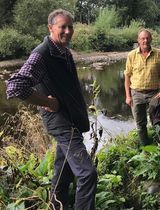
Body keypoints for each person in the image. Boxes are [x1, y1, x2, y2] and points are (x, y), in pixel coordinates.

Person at [6, 9, 97, 209]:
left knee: (63, 171)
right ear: (50, 28)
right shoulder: (42, 54)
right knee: (87, 174)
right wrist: (47, 102)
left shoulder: (63, 51)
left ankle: (56, 206)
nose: (67, 31)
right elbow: (15, 86)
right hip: (61, 121)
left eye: (70, 27)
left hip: (70, 118)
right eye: (62, 27)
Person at [124, 29, 160, 156]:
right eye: (142, 38)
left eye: (147, 38)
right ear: (138, 40)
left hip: (155, 93)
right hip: (136, 93)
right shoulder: (131, 55)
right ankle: (145, 149)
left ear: (151, 39)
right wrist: (128, 96)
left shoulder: (158, 54)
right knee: (140, 123)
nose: (145, 40)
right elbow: (127, 76)